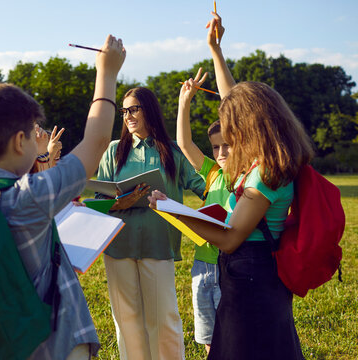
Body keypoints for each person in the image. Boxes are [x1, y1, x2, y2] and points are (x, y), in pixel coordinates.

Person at [148, 14, 313, 360]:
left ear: (249, 125)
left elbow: (230, 237)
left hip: (252, 278)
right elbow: (233, 99)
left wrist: (175, 212)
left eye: (233, 123)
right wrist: (215, 49)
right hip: (250, 277)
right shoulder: (267, 156)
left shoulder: (266, 171)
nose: (229, 131)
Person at [0, 35, 126, 360]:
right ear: (20, 142)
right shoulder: (29, 195)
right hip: (54, 345)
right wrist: (107, 73)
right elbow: (97, 140)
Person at [95, 86, 206, 360]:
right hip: (118, 246)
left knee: (164, 320)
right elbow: (100, 197)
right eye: (124, 111)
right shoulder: (112, 151)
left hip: (159, 244)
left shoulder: (172, 151)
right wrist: (118, 203)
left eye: (134, 109)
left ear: (149, 111)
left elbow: (204, 187)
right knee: (127, 322)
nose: (128, 116)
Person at [176, 67, 231, 354]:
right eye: (215, 147)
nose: (220, 153)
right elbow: (184, 144)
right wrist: (185, 102)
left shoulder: (249, 174)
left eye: (227, 146)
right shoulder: (211, 173)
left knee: (231, 335)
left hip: (229, 265)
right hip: (202, 265)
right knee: (208, 335)